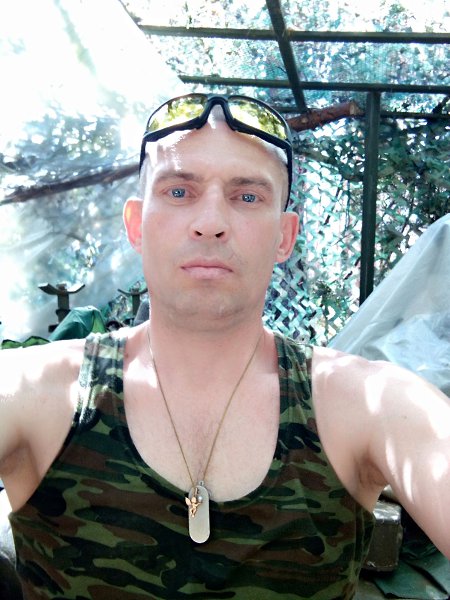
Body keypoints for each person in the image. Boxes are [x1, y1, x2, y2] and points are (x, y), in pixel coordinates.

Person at [0, 93, 449, 600]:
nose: (210, 221)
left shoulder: (370, 405)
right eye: (178, 191)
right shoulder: (34, 392)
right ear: (136, 225)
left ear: (285, 237)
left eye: (247, 197)